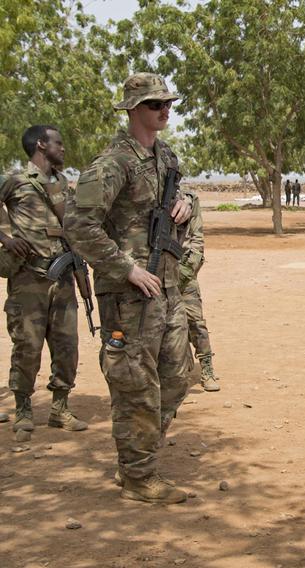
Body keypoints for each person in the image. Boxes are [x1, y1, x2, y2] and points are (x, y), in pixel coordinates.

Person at [65, 72, 194, 504]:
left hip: (168, 287)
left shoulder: (167, 157)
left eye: (167, 103)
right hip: (129, 295)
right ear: (134, 109)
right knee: (135, 383)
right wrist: (125, 268)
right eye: (156, 104)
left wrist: (187, 204)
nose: (165, 110)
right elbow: (79, 224)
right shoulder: (112, 164)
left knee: (179, 374)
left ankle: (139, 455)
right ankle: (138, 475)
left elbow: (185, 195)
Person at [0, 125, 87, 442]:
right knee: (27, 347)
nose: (63, 148)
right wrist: (6, 240)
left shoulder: (63, 182)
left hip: (62, 277)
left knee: (67, 348)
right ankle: (23, 411)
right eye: (58, 143)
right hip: (29, 279)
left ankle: (59, 408)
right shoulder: (15, 180)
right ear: (41, 145)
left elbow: (74, 223)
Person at [178, 191, 220, 392]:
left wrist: (187, 270)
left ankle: (207, 369)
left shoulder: (189, 199)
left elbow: (197, 239)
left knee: (195, 322)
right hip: (154, 274)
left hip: (184, 272)